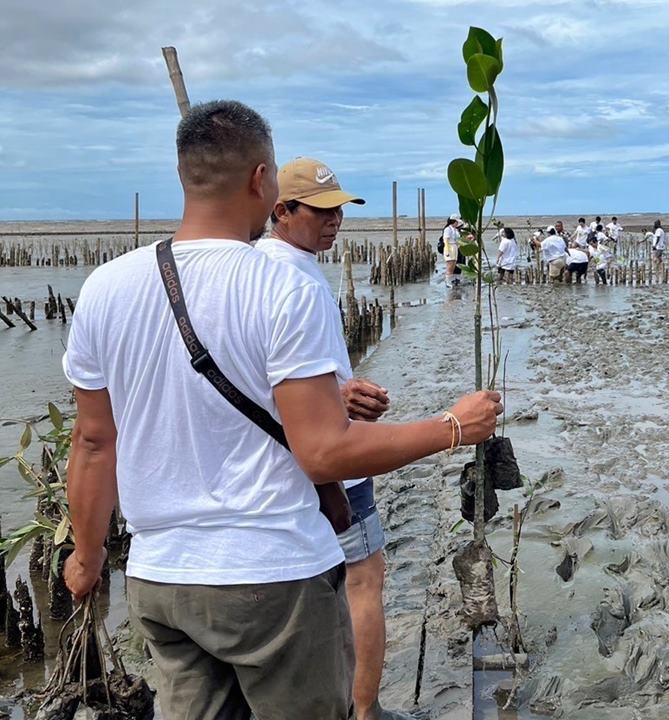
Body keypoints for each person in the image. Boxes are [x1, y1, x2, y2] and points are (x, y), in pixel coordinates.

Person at [61, 100, 503, 720]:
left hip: (160, 579)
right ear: (262, 181)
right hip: (272, 576)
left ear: (185, 174)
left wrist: (86, 556)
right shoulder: (285, 284)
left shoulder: (104, 287)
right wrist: (453, 427)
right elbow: (322, 451)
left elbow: (92, 442)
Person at [260, 157, 417, 720]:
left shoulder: (268, 267)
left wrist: (343, 390)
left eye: (339, 211)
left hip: (287, 464)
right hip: (333, 466)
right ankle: (365, 710)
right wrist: (335, 401)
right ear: (281, 210)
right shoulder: (291, 278)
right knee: (364, 579)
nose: (334, 222)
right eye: (320, 211)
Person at [442, 214, 464, 286]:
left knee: (453, 264)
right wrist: (447, 250)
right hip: (450, 247)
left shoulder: (455, 230)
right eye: (457, 222)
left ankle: (451, 280)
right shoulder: (448, 229)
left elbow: (458, 239)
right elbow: (446, 240)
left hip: (455, 247)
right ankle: (447, 282)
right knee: (450, 266)